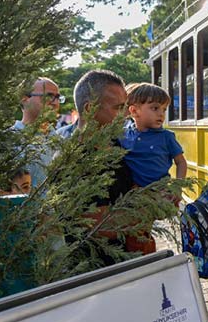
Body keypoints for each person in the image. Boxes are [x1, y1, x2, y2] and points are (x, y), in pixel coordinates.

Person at [65, 69, 155, 256]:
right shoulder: (75, 159)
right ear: (90, 109)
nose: (125, 115)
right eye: (117, 108)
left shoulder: (114, 145)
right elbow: (98, 224)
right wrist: (151, 208)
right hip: (94, 272)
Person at [121, 83, 188, 186]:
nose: (161, 114)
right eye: (155, 108)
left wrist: (177, 187)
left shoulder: (166, 137)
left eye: (164, 109)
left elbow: (181, 162)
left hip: (160, 193)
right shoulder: (123, 134)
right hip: (132, 195)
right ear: (134, 111)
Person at [10, 77, 61, 188]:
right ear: (24, 99)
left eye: (58, 97)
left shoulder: (61, 141)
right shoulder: (8, 141)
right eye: (49, 96)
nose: (55, 102)